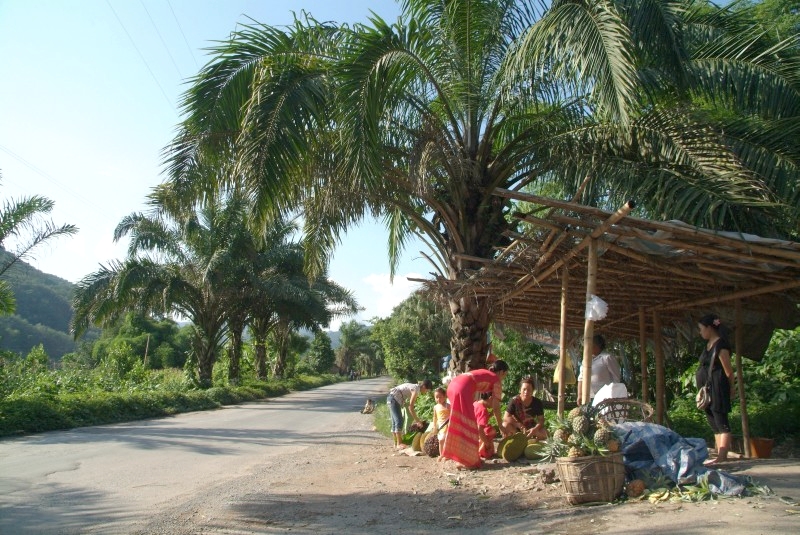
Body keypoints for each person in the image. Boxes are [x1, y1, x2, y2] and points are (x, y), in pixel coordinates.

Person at [440, 360, 512, 469]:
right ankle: (468, 461)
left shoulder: (485, 372)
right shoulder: (496, 379)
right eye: (505, 375)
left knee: (459, 422)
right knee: (470, 427)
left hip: (453, 386)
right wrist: (501, 426)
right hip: (462, 389)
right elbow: (496, 406)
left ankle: (453, 455)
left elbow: (473, 385)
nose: (503, 378)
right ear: (502, 372)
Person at [696, 313, 735, 465]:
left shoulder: (721, 346)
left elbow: (728, 371)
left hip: (718, 386)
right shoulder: (707, 346)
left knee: (721, 420)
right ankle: (719, 453)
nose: (700, 332)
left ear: (709, 328)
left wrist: (731, 388)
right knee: (712, 421)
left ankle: (722, 456)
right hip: (707, 388)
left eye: (701, 329)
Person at [387, 380, 433, 450]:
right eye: (427, 390)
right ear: (424, 387)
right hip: (394, 399)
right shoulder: (416, 390)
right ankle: (399, 443)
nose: (426, 392)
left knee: (394, 422)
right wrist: (418, 421)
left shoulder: (414, 386)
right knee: (399, 421)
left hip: (390, 398)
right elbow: (410, 408)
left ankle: (395, 443)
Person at [576, 334, 622, 405]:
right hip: (588, 397)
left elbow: (616, 378)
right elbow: (581, 378)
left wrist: (613, 395)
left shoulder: (607, 358)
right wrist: (580, 395)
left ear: (597, 345)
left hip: (605, 397)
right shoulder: (586, 360)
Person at [503, 376, 547, 440]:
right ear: (520, 390)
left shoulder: (537, 402)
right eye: (524, 389)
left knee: (545, 433)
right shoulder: (514, 400)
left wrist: (535, 429)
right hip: (517, 429)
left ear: (533, 391)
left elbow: (541, 420)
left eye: (529, 390)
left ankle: (531, 439)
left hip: (531, 429)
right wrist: (517, 424)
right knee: (505, 425)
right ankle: (517, 439)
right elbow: (505, 417)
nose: (526, 392)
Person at [474, 392, 497, 459]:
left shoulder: (476, 403)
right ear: (490, 398)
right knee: (490, 430)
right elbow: (480, 430)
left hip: (468, 432)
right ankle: (483, 451)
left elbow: (478, 418)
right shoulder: (483, 410)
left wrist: (489, 415)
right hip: (475, 436)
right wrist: (487, 443)